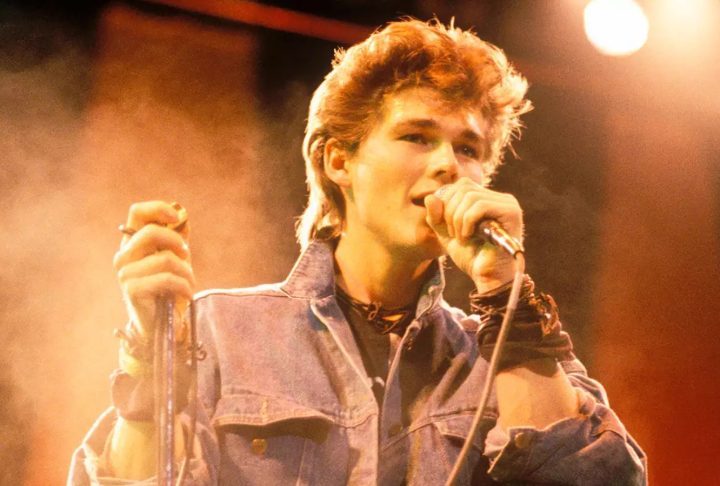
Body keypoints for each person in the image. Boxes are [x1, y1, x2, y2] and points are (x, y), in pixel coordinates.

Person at [69, 18, 647, 485]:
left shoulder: (509, 355)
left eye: (468, 149)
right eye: (416, 136)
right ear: (338, 160)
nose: (448, 165)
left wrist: (505, 291)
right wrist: (148, 357)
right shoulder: (219, 331)